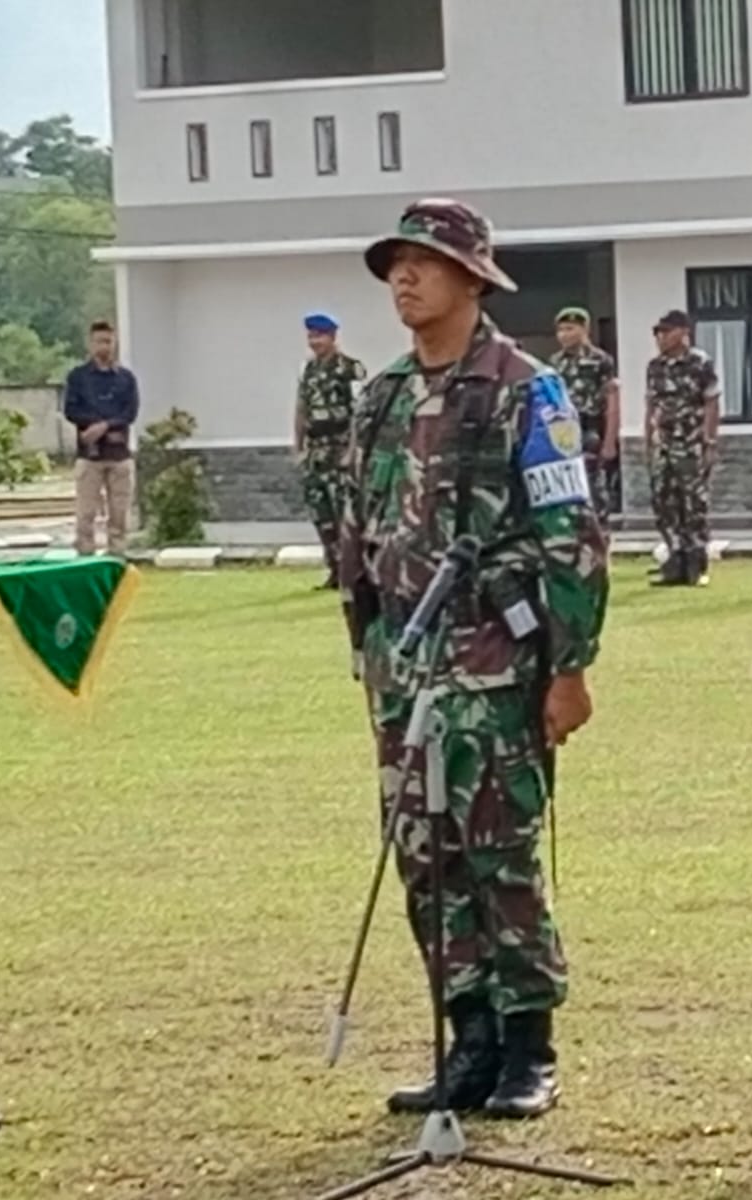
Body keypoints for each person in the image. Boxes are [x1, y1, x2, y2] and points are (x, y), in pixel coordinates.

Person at [339, 198, 608, 1120]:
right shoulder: (379, 397)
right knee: (426, 855)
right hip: (404, 670)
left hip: (497, 662)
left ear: (471, 278)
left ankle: (529, 1044)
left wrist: (568, 667)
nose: (404, 279)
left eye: (423, 263)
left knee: (501, 853)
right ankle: (468, 1039)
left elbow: (571, 532)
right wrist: (367, 654)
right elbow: (359, 537)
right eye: (395, 266)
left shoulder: (528, 389)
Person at [645, 310, 719, 587]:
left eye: (665, 331)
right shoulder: (655, 366)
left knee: (694, 504)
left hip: (690, 443)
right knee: (664, 502)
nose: (660, 338)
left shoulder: (699, 363)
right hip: (663, 444)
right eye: (657, 333)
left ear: (682, 332)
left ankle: (697, 564)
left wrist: (710, 440)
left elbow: (711, 401)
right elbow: (651, 405)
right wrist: (646, 440)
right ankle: (674, 561)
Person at [293, 313, 365, 589]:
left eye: (319, 336)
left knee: (342, 514)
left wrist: (352, 451)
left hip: (339, 450)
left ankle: (352, 572)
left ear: (333, 337)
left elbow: (360, 413)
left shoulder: (350, 369)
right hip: (316, 452)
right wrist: (298, 445)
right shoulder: (307, 371)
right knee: (321, 515)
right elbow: (301, 408)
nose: (315, 342)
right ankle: (334, 570)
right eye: (311, 336)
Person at [64, 321, 139, 558]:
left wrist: (105, 426)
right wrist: (93, 426)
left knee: (119, 512)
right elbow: (71, 410)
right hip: (90, 456)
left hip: (119, 456)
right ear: (90, 343)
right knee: (85, 513)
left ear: (114, 343)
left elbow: (130, 413)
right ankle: (85, 556)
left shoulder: (126, 379)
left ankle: (117, 556)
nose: (103, 346)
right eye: (99, 341)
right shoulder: (78, 377)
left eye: (108, 341)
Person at [549, 306, 621, 526]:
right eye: (560, 330)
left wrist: (610, 442)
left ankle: (600, 547)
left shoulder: (601, 360)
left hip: (591, 432)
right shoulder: (555, 362)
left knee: (595, 491)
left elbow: (612, 401)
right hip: (562, 433)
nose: (564, 335)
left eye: (570, 329)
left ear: (584, 329)